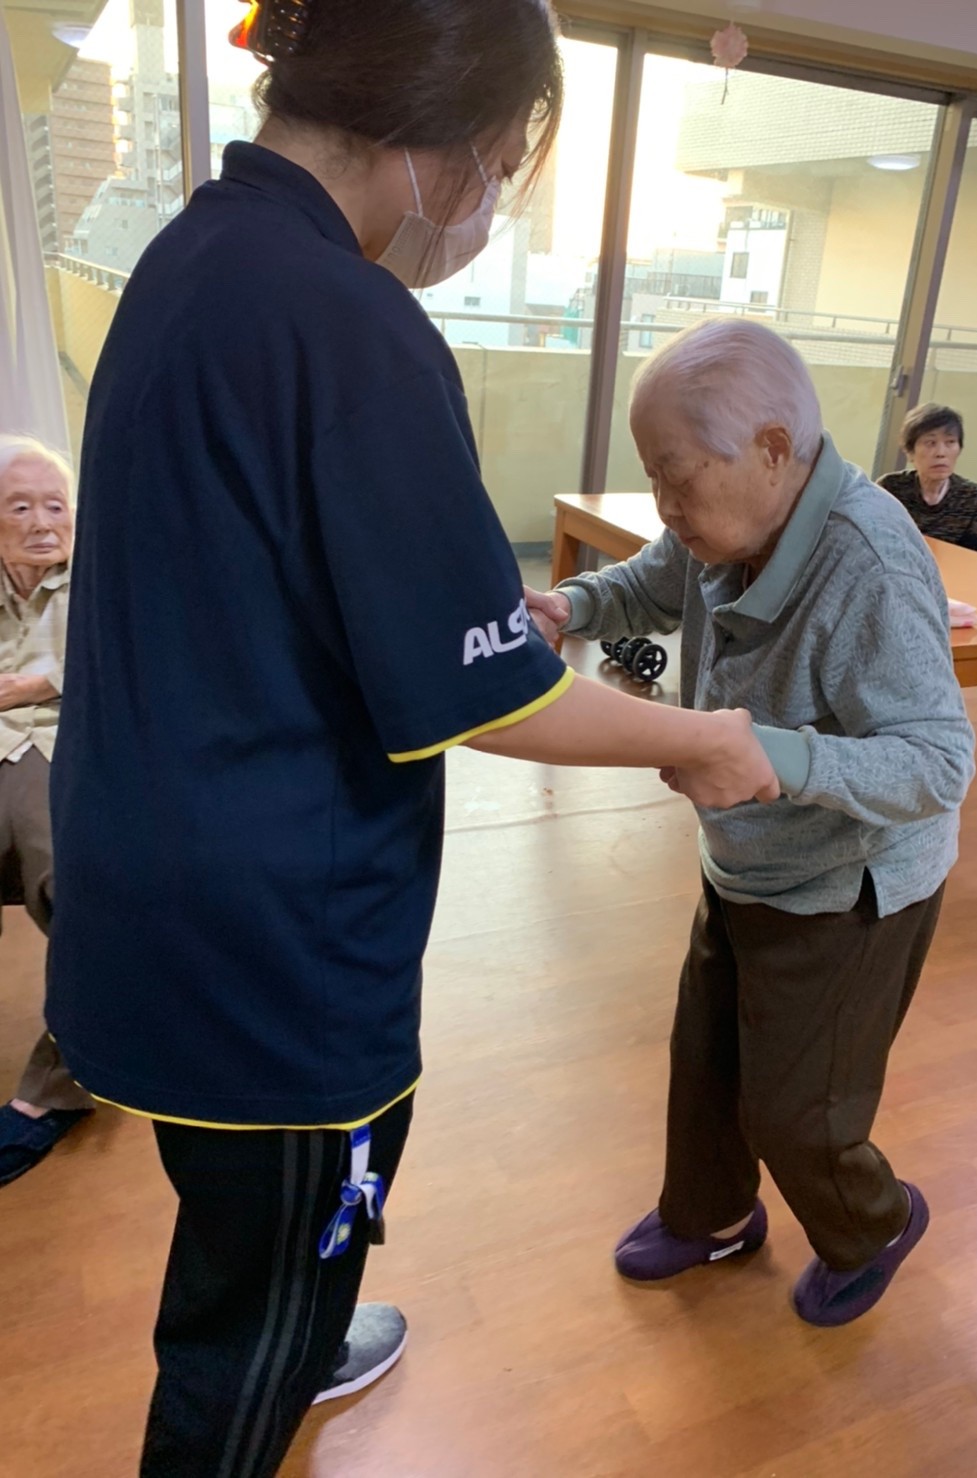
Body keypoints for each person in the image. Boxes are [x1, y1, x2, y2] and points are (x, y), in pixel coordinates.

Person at [45, 3, 781, 1473]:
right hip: (273, 936)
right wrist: (698, 737)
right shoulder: (353, 322)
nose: (489, 195)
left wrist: (470, 614)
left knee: (243, 1219)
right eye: (501, 160)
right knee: (245, 1313)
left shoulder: (187, 260)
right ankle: (276, 1354)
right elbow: (490, 697)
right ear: (439, 131)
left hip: (145, 873)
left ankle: (304, 1330)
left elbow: (269, 577)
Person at [527, 320, 976, 1328]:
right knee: (704, 1064)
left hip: (850, 887)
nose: (665, 504)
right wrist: (570, 607)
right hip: (746, 861)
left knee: (797, 1108)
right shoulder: (719, 527)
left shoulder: (869, 564)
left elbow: (941, 762)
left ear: (774, 449)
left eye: (677, 477)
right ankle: (715, 1215)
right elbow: (649, 580)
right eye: (652, 476)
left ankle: (873, 1223)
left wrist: (773, 757)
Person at [0, 435, 93, 1188]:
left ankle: (57, 1088)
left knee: (77, 883)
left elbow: (136, 650)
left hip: (64, 743)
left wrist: (39, 683)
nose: (41, 523)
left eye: (55, 506)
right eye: (20, 506)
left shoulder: (99, 576)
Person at [877, 402, 977, 552]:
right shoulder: (890, 487)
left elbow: (971, 555)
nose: (941, 453)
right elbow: (874, 539)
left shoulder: (976, 497)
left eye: (950, 442)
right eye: (930, 443)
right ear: (910, 452)